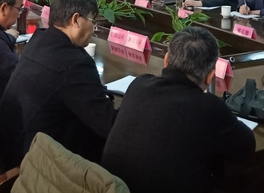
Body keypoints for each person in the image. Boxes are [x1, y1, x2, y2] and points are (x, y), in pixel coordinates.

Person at [101, 27, 255, 193]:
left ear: (166, 60)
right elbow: (246, 146)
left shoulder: (139, 84)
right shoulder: (209, 107)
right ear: (210, 77)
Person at [0, 0, 117, 169]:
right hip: (36, 164)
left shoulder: (39, 41)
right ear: (76, 20)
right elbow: (108, 124)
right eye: (93, 21)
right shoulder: (73, 63)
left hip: (11, 146)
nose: (93, 28)